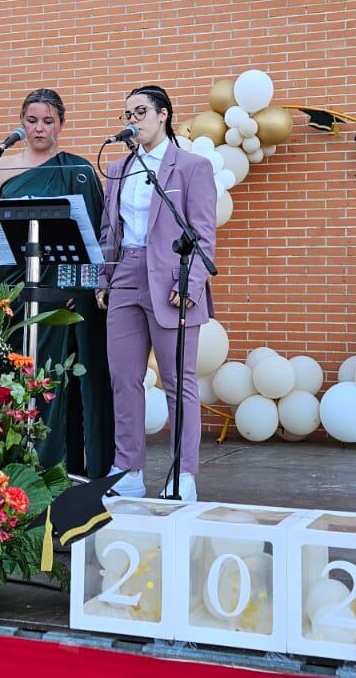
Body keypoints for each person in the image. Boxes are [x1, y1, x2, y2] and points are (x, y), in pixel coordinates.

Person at [0, 89, 114, 479]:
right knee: (8, 373)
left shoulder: (77, 170)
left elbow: (95, 236)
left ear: (61, 125)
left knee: (51, 375)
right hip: (11, 289)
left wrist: (83, 288)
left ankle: (54, 465)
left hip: (60, 293)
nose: (39, 128)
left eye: (48, 121)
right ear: (21, 123)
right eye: (32, 120)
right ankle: (5, 462)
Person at [97, 85, 217, 501]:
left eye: (141, 112)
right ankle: (128, 468)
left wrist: (191, 283)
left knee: (178, 380)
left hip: (171, 278)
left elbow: (203, 233)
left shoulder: (191, 167)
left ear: (163, 114)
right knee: (123, 378)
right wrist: (104, 278)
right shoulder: (117, 169)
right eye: (127, 114)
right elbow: (109, 230)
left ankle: (183, 474)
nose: (132, 120)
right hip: (125, 275)